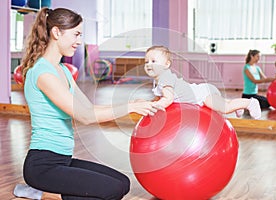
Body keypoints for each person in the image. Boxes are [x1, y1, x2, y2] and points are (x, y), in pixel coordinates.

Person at [13, 7, 161, 200]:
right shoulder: (43, 74)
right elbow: (85, 117)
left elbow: (89, 108)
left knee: (122, 183)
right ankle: (42, 193)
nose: (79, 41)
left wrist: (132, 103)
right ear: (56, 32)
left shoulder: (63, 71)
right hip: (42, 165)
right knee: (111, 190)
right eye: (76, 34)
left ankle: (42, 192)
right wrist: (130, 107)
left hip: (62, 160)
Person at [144, 45, 262, 119]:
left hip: (202, 95)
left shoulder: (166, 79)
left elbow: (168, 98)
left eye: (153, 61)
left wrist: (154, 106)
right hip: (200, 91)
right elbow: (161, 96)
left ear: (166, 64)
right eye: (146, 61)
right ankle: (238, 105)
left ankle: (249, 103)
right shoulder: (160, 79)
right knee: (225, 102)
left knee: (224, 108)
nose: (149, 64)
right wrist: (153, 101)